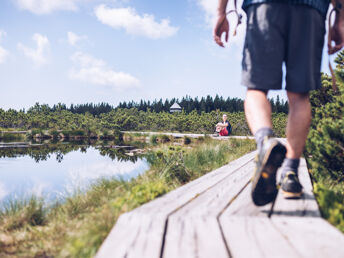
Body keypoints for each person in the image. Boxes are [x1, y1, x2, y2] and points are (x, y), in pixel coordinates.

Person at [214, 0, 344, 206]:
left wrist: (222, 12)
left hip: (264, 7)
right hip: (311, 10)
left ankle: (266, 142)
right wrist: (340, 20)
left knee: (256, 89)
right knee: (300, 96)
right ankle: (290, 173)